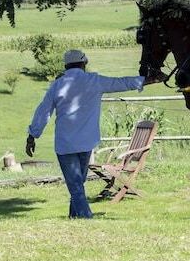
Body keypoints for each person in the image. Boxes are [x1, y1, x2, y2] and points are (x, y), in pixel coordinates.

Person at [26, 49, 153, 219]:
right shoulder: (94, 80)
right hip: (87, 142)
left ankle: (80, 217)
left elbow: (43, 111)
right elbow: (121, 83)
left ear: (66, 66)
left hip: (65, 144)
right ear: (83, 63)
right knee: (77, 184)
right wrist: (145, 80)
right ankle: (82, 217)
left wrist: (33, 135)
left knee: (76, 184)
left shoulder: (57, 85)